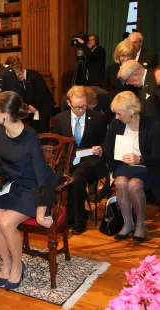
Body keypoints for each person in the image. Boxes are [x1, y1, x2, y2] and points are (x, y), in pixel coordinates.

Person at [0, 91, 57, 290]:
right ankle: (7, 262)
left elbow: (41, 175)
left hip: (32, 186)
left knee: (7, 223)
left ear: (5, 115)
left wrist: (42, 211)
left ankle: (18, 265)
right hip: (10, 183)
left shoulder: (30, 137)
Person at [105, 91, 160, 243]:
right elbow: (108, 149)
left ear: (131, 111)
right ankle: (128, 223)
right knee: (121, 182)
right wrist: (112, 172)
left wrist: (140, 159)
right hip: (124, 166)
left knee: (134, 185)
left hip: (147, 167)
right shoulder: (117, 124)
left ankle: (141, 225)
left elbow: (158, 156)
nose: (116, 117)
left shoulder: (153, 125)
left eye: (119, 113)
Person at [53, 86, 107, 234]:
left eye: (84, 106)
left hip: (91, 160)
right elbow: (56, 144)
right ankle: (64, 216)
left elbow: (106, 141)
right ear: (69, 103)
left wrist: (100, 148)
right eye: (77, 107)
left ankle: (79, 220)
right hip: (69, 159)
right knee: (58, 177)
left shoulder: (97, 117)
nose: (81, 110)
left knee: (76, 179)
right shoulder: (60, 119)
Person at [5, 56, 55, 133]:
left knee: (42, 128)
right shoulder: (15, 81)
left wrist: (34, 106)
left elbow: (41, 94)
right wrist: (28, 105)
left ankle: (43, 143)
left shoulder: (34, 75)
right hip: (31, 108)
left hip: (44, 105)